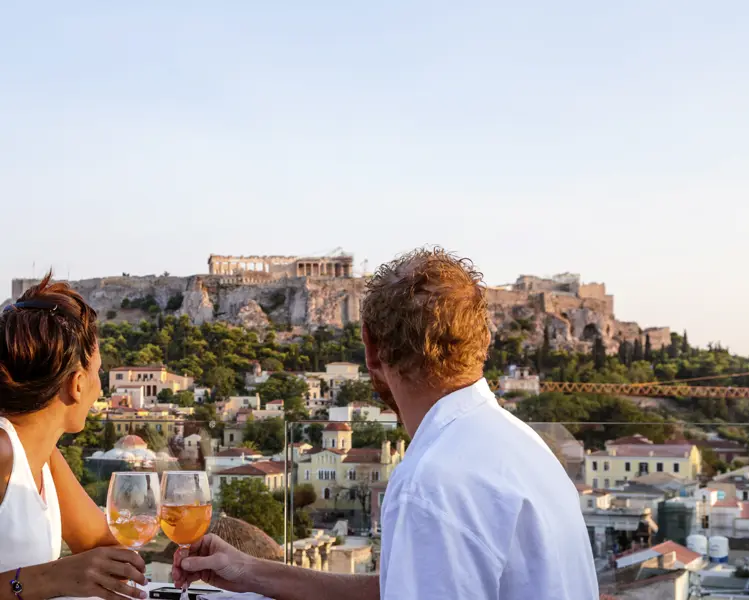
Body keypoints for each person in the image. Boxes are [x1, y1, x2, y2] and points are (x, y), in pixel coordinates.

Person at [174, 248, 599, 599]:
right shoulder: (520, 443)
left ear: (371, 348)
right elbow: (398, 590)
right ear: (481, 342)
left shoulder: (433, 480)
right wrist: (250, 572)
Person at [0, 274, 147, 600]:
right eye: (98, 371)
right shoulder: (2, 452)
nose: (100, 387)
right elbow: (60, 574)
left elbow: (105, 548)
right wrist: (47, 579)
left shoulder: (44, 458)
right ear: (77, 383)